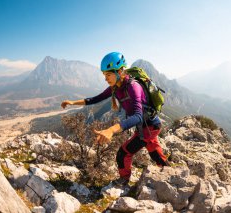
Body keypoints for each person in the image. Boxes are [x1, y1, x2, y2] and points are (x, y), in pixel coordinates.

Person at [61, 51, 169, 186]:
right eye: (104, 75)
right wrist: (72, 102)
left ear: (120, 71)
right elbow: (96, 99)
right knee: (152, 148)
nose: (106, 78)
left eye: (108, 74)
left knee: (123, 153)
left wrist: (111, 130)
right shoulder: (115, 87)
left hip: (149, 126)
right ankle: (168, 171)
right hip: (148, 126)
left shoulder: (133, 87)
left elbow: (138, 116)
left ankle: (124, 180)